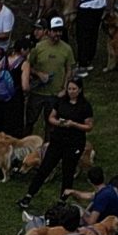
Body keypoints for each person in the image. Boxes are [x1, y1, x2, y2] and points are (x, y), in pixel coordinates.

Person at [25, 75, 92, 207]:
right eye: (69, 88)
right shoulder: (61, 101)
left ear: (80, 90)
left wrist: (73, 124)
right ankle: (29, 195)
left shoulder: (85, 106)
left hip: (74, 143)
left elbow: (89, 126)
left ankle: (63, 201)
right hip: (57, 140)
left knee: (68, 172)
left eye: (74, 89)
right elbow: (51, 117)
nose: (71, 91)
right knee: (45, 168)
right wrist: (58, 123)